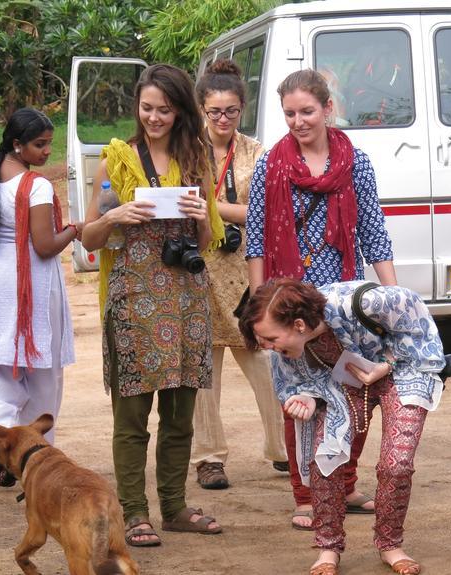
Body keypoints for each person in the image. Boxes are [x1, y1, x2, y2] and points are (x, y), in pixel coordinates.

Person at [81, 63, 225, 547]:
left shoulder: (197, 160)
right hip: (134, 300)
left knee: (181, 414)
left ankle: (175, 506)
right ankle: (134, 512)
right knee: (132, 417)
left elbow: (205, 242)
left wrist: (201, 214)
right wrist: (117, 213)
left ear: (181, 110)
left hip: (185, 300)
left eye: (164, 109)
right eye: (147, 108)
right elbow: (88, 238)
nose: (155, 118)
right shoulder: (116, 161)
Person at [245, 69, 396, 530]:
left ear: (328, 109)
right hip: (287, 302)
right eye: (289, 113)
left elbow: (374, 233)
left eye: (307, 111)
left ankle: (344, 484)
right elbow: (255, 236)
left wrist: (391, 299)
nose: (298, 121)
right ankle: (307, 494)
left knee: (351, 391)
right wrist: (259, 306)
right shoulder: (271, 165)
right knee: (300, 397)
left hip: (340, 302)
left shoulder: (357, 164)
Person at [239, 278, 443, 575]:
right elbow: (292, 384)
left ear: (298, 325)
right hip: (339, 386)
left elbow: (421, 333)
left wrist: (384, 366)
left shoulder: (367, 302)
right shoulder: (283, 349)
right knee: (326, 460)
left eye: (271, 338)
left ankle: (390, 545)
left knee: (396, 465)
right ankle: (328, 548)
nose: (266, 347)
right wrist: (306, 399)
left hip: (403, 373)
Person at [0, 108, 79, 488]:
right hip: (30, 293)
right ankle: (35, 462)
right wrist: (74, 229)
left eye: (49, 144)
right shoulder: (34, 186)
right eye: (40, 145)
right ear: (17, 144)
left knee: (3, 383)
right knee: (43, 381)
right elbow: (44, 246)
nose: (46, 152)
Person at [190, 59, 288, 490]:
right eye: (215, 112)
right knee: (202, 376)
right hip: (197, 271)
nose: (223, 119)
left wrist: (213, 210)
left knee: (266, 364)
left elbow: (268, 212)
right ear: (201, 110)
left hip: (249, 272)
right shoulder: (185, 150)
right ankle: (208, 457)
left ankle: (284, 448)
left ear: (242, 109)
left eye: (231, 111)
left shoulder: (257, 152)